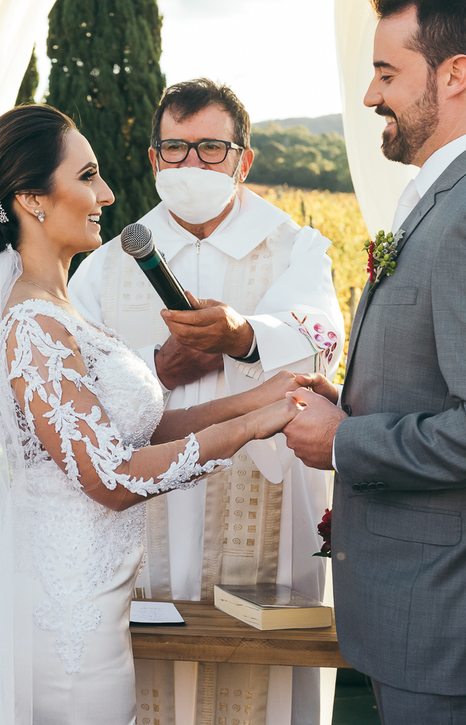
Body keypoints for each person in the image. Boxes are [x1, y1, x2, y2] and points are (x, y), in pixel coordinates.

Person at [0, 104, 318, 725]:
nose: (106, 194)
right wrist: (246, 429)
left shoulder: (58, 310)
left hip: (90, 603)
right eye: (87, 177)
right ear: (32, 200)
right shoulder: (32, 323)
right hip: (62, 617)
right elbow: (109, 477)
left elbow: (134, 433)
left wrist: (264, 398)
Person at [283, 0, 466, 723]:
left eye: (386, 73)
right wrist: (355, 402)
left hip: (455, 626)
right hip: (433, 616)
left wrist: (344, 441)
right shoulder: (465, 195)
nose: (370, 95)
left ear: (454, 74)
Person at [68, 78, 343, 724]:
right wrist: (160, 366)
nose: (192, 164)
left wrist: (243, 339)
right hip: (145, 510)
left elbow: (321, 342)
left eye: (211, 148)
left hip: (264, 510)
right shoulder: (107, 264)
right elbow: (73, 386)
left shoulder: (294, 248)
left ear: (243, 161)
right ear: (154, 159)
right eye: (176, 148)